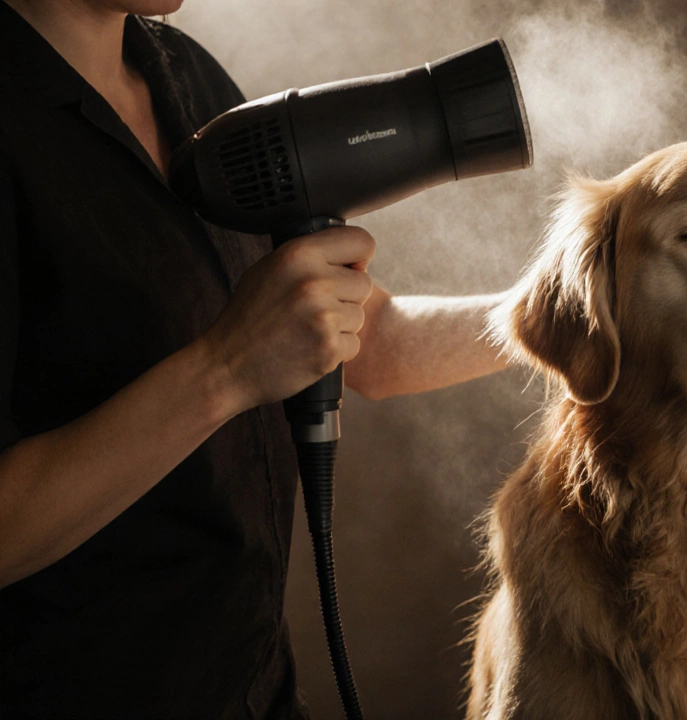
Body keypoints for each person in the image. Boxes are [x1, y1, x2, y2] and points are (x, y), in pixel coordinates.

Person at [0, 0, 512, 716]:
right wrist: (228, 369)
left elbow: (372, 343)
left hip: (251, 688)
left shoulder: (182, 75)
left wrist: (558, 313)